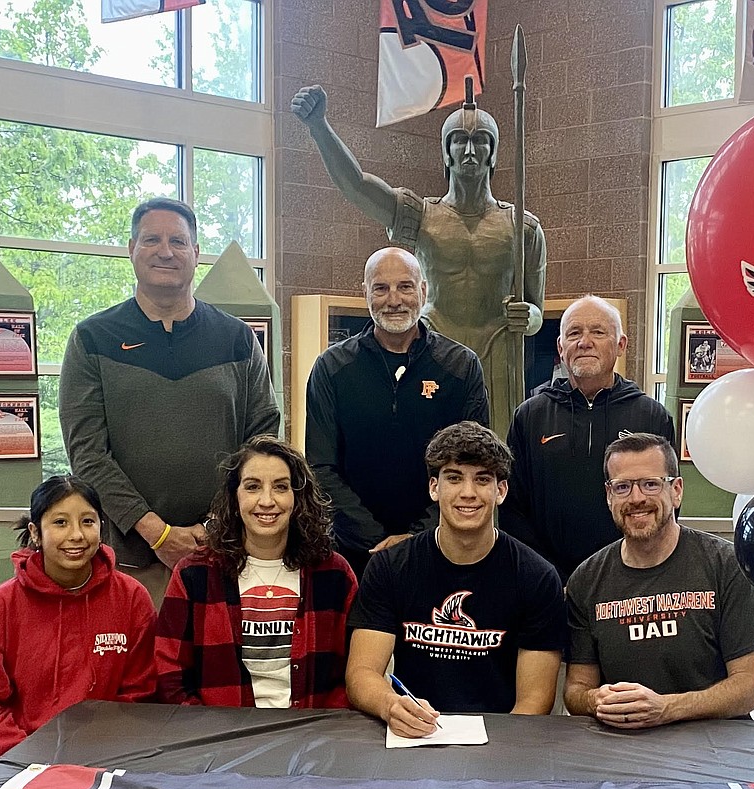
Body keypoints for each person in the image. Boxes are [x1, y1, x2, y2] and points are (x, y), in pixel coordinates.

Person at [59, 197, 280, 605]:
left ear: (196, 253)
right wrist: (155, 531)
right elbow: (87, 453)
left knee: (222, 667)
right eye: (152, 240)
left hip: (225, 549)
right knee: (135, 669)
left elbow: (262, 440)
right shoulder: (93, 338)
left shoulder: (236, 339)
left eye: (178, 241)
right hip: (130, 559)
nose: (165, 251)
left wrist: (216, 524)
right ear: (131, 249)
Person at [291, 85, 545, 438]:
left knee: (493, 457)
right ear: (446, 152)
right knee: (427, 450)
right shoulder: (422, 216)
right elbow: (357, 185)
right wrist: (319, 126)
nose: (470, 149)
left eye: (481, 140)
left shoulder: (523, 227)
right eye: (459, 140)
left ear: (493, 153)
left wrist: (528, 316)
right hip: (433, 353)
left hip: (497, 357)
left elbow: (536, 310)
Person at [346, 421, 566, 739]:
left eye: (482, 480)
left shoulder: (537, 577)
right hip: (413, 737)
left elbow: (534, 702)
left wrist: (491, 755)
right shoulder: (389, 567)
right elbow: (361, 673)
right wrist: (390, 705)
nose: (468, 493)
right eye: (454, 478)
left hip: (499, 742)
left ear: (500, 491)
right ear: (434, 487)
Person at [564, 433, 754, 728]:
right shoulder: (586, 580)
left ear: (676, 490)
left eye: (651, 484)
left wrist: (666, 708)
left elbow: (749, 688)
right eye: (623, 487)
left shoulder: (727, 565)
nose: (637, 498)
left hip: (715, 746)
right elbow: (576, 690)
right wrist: (597, 700)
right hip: (622, 746)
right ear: (609, 496)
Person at [305, 246, 489, 580]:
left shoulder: (460, 367)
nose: (394, 299)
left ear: (423, 291)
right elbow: (321, 466)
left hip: (440, 549)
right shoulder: (332, 369)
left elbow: (472, 463)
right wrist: (376, 541)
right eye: (381, 288)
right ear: (365, 294)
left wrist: (418, 537)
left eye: (405, 286)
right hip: (353, 554)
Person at [0, 476, 156, 765]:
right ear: (35, 533)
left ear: (102, 527)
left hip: (109, 753)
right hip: (16, 754)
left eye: (88, 521)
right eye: (60, 522)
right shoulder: (1, 606)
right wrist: (28, 753)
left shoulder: (132, 597)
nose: (76, 535)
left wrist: (102, 749)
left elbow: (142, 695)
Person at [155, 435, 356, 708]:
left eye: (281, 487)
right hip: (218, 737)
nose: (267, 501)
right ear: (234, 497)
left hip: (313, 734)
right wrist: (204, 730)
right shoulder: (194, 574)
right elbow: (170, 671)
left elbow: (354, 672)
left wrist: (322, 729)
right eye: (252, 487)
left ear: (297, 498)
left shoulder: (335, 574)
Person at [501, 296, 676, 582]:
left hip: (628, 579)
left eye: (598, 332)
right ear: (561, 347)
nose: (585, 342)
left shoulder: (650, 416)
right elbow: (512, 507)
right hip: (547, 581)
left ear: (621, 345)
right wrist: (545, 575)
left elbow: (666, 503)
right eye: (574, 333)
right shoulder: (530, 415)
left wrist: (643, 567)